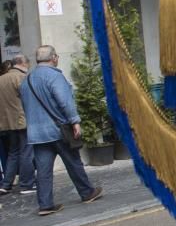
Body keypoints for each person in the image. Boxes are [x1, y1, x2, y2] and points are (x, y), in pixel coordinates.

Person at [20, 45, 102, 216]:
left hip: (37, 134)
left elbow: (26, 106)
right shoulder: (54, 77)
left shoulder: (27, 80)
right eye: (56, 56)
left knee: (43, 171)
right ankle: (87, 192)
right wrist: (75, 121)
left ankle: (45, 205)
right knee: (74, 163)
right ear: (54, 58)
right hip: (57, 130)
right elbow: (65, 102)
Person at [0, 54, 34, 195]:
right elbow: (29, 99)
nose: (28, 66)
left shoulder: (1, 79)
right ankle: (26, 184)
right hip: (22, 121)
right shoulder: (21, 78)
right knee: (26, 152)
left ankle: (6, 184)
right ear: (22, 63)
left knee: (13, 153)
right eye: (28, 63)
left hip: (7, 122)